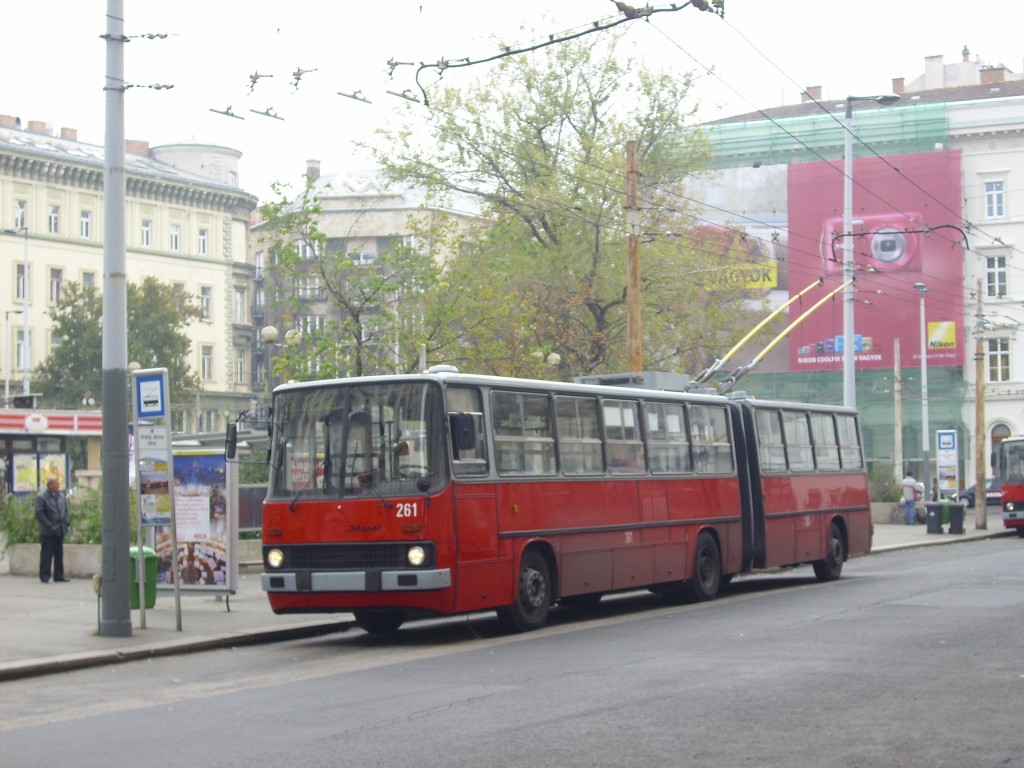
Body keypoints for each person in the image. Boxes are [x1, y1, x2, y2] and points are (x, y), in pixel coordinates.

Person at [35, 477, 70, 583]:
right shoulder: (42, 497)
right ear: (50, 485)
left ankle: (59, 575)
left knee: (59, 554)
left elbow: (66, 510)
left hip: (60, 529)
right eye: (55, 484)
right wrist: (48, 524)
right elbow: (39, 513)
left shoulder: (61, 496)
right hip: (48, 531)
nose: (58, 486)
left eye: (58, 484)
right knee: (47, 554)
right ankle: (45, 575)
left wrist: (66, 523)